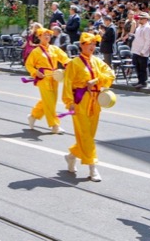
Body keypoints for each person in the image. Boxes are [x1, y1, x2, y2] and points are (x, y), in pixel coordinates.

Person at [62, 32, 115, 181]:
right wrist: (69, 102)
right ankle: (92, 167)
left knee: (89, 135)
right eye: (88, 44)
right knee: (85, 135)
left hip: (95, 102)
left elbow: (111, 75)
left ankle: (71, 156)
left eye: (94, 44)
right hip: (80, 102)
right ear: (81, 45)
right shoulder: (74, 63)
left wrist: (97, 80)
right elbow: (67, 84)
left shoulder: (98, 61)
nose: (92, 47)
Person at [26, 27, 71, 134]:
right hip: (43, 78)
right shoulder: (36, 51)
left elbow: (65, 58)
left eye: (48, 35)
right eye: (44, 35)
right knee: (50, 102)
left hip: (54, 77)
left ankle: (33, 116)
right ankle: (55, 125)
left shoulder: (55, 49)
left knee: (50, 101)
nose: (47, 37)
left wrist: (72, 64)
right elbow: (28, 65)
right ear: (39, 37)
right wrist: (36, 72)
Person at [130, 12, 150, 88]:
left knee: (142, 68)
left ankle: (143, 82)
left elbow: (148, 40)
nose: (140, 19)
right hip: (136, 50)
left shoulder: (147, 28)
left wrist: (143, 51)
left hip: (142, 51)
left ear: (146, 19)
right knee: (137, 67)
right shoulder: (139, 27)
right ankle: (139, 81)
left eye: (141, 18)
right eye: (139, 18)